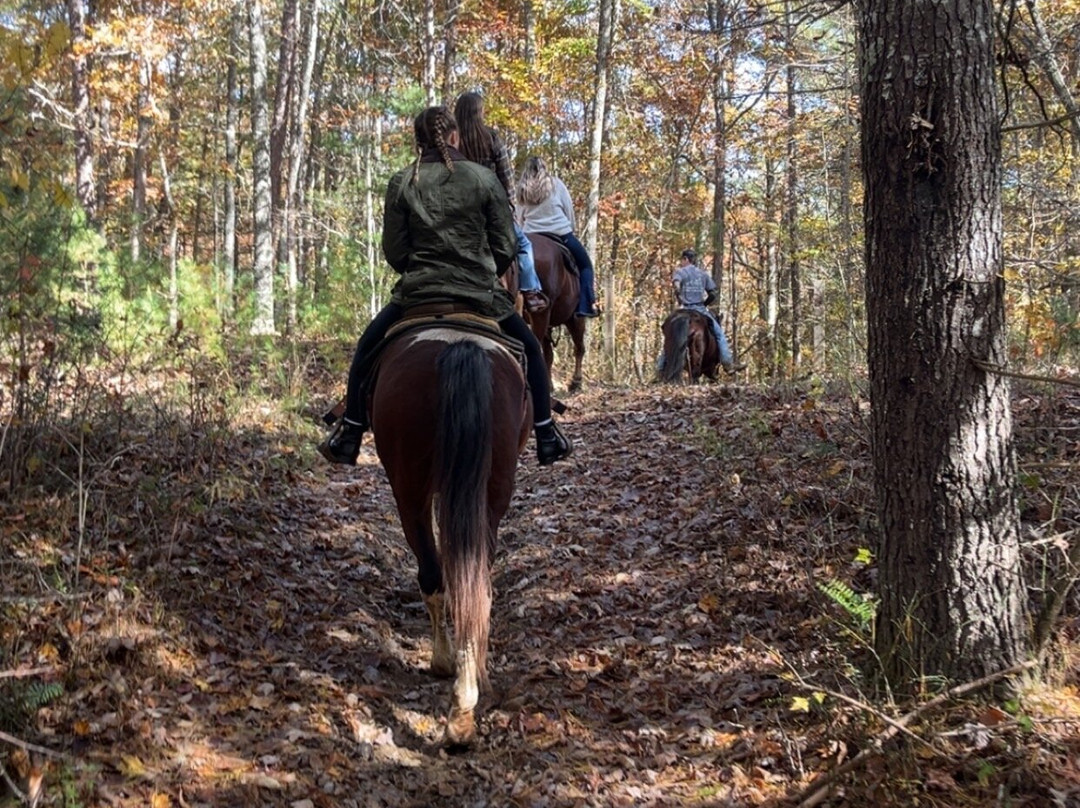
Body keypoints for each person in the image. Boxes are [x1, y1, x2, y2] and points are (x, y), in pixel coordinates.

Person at [319, 106, 572, 467]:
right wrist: (485, 273)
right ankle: (546, 434)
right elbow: (505, 245)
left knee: (366, 349)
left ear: (418, 141)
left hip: (418, 295)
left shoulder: (402, 181)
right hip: (480, 295)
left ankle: (351, 432)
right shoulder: (484, 179)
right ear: (455, 137)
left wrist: (420, 271)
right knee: (532, 348)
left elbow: (395, 251)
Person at [453, 91, 548, 314]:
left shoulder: (453, 142)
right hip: (492, 211)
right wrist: (510, 210)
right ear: (479, 112)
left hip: (459, 213)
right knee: (523, 245)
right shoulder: (491, 138)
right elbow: (506, 178)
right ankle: (531, 292)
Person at [516, 156, 600, 318]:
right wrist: (570, 229)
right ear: (544, 168)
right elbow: (568, 211)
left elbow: (520, 218)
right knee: (585, 265)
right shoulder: (556, 184)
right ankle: (586, 305)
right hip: (560, 234)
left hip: (530, 234)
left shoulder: (523, 188)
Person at [671, 248, 744, 374]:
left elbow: (676, 284)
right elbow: (713, 293)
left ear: (686, 259)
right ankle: (727, 363)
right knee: (719, 334)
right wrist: (705, 304)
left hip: (684, 308)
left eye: (682, 260)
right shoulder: (703, 274)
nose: (681, 262)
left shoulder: (680, 272)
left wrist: (678, 293)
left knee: (671, 336)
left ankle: (661, 368)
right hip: (699, 309)